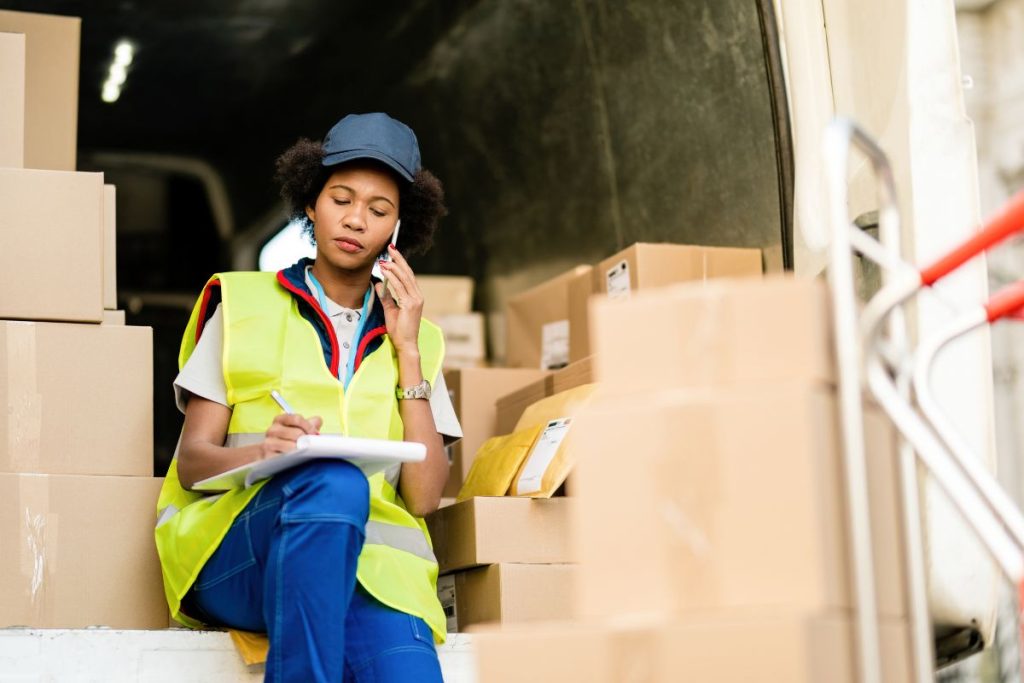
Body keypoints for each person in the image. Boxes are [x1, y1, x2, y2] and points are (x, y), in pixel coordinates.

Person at [154, 112, 462, 682]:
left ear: (398, 230)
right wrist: (264, 456)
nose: (354, 220)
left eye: (378, 210)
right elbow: (194, 464)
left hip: (373, 575)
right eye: (341, 198)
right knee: (333, 480)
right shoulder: (242, 305)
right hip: (241, 555)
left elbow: (422, 498)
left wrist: (408, 352)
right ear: (310, 203)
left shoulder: (421, 342)